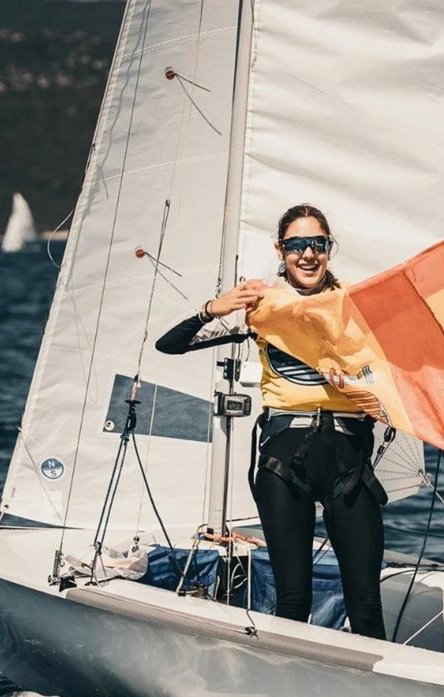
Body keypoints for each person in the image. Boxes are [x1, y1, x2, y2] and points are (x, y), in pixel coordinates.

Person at [155, 203, 389, 640]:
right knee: (293, 599)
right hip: (284, 467)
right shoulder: (262, 309)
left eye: (317, 244)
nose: (308, 254)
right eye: (296, 245)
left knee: (366, 602)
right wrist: (213, 308)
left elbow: (413, 345)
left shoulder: (356, 305)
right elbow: (169, 345)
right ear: (280, 250)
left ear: (329, 248)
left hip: (349, 466)